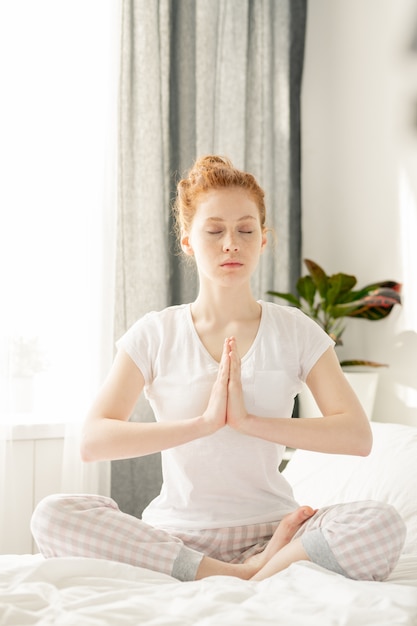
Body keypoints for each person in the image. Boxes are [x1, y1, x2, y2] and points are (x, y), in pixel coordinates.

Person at [31, 155, 405, 582]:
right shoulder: (155, 333)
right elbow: (93, 441)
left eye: (246, 230)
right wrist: (206, 422)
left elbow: (356, 436)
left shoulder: (296, 330)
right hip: (176, 537)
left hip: (274, 531)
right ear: (188, 241)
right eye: (215, 231)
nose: (232, 243)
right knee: (52, 515)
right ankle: (244, 575)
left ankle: (251, 567)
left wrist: (247, 421)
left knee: (382, 521)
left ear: (262, 240)